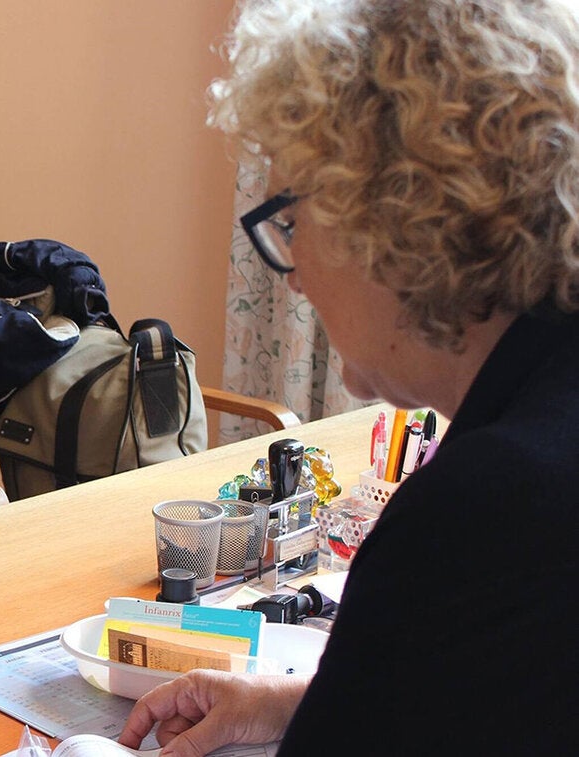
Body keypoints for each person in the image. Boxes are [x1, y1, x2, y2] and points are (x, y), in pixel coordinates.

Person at [118, 1, 579, 754]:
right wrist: (300, 703)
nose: (293, 276)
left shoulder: (484, 509)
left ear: (399, 218)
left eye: (293, 223)